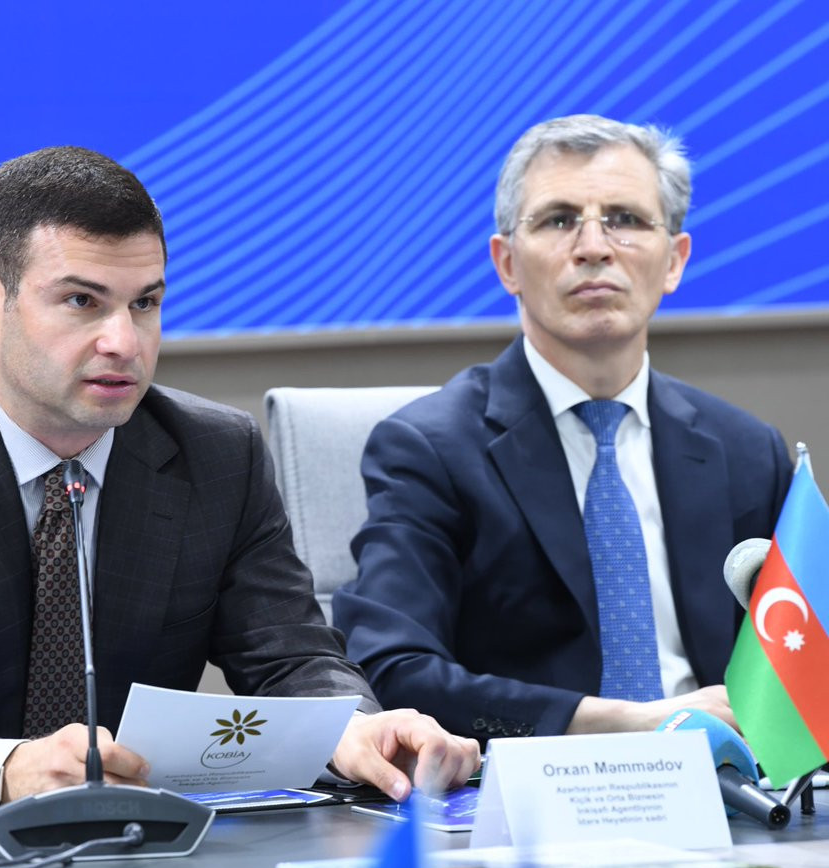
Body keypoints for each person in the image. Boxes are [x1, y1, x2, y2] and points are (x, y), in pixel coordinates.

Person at [0, 146, 478, 811]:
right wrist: (4, 769)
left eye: (145, 303)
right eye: (82, 301)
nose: (124, 341)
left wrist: (350, 729)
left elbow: (291, 657)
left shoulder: (216, 455)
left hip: (149, 850)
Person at [333, 114, 791, 745]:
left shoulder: (748, 452)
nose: (594, 247)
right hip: (533, 786)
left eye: (626, 219)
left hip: (729, 785)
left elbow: (800, 659)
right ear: (507, 264)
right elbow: (392, 667)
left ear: (675, 260)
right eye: (558, 220)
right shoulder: (430, 449)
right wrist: (625, 722)